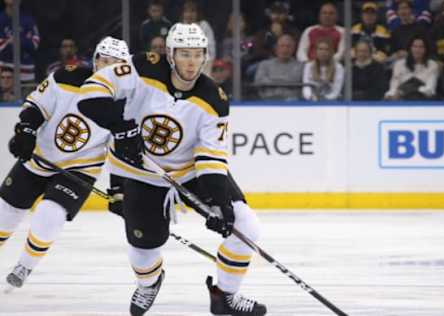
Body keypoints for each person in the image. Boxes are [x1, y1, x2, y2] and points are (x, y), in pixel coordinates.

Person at [77, 23, 266, 316]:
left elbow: (211, 159)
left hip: (191, 172)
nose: (191, 61)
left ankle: (225, 296)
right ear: (170, 54)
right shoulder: (142, 68)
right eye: (184, 54)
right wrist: (122, 126)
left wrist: (221, 205)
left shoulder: (214, 99)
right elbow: (90, 94)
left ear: (205, 56)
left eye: (197, 54)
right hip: (140, 171)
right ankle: (150, 283)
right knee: (142, 248)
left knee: (246, 226)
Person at [0, 36, 129, 291]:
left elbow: (122, 149)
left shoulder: (128, 102)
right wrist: (25, 130)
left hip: (79, 169)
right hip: (40, 157)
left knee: (50, 214)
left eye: (115, 63)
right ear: (95, 61)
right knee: (4, 216)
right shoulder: (66, 77)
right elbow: (37, 106)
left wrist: (119, 189)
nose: (108, 67)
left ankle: (25, 265)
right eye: (104, 60)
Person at [385, 35, 439, 100]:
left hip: (422, 100)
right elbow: (394, 86)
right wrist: (390, 94)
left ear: (426, 49)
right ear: (410, 48)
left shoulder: (432, 65)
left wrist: (405, 91)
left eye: (421, 47)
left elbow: (430, 89)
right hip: (400, 100)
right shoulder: (399, 64)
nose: (417, 50)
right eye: (414, 46)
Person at [254, 33, 303, 100]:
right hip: (267, 101)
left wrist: (271, 80)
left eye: (288, 46)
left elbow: (293, 80)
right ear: (276, 48)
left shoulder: (299, 65)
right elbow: (259, 81)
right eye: (282, 46)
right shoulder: (264, 64)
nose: (285, 49)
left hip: (291, 103)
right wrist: (284, 81)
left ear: (293, 49)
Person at [0, 0, 40, 82]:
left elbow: (34, 44)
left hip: (26, 72)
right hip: (3, 70)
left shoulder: (28, 20)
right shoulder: (1, 19)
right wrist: (24, 40)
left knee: (28, 94)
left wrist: (16, 40)